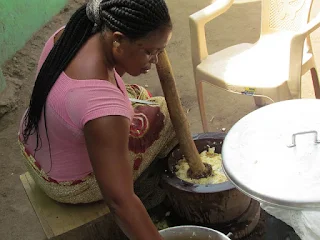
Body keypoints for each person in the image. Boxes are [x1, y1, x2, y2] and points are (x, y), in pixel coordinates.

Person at [18, 0, 177, 239]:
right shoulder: (105, 112)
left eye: (159, 51)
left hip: (33, 147)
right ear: (117, 40)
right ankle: (150, 190)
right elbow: (118, 202)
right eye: (149, 51)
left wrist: (137, 58)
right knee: (166, 115)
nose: (154, 61)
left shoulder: (71, 34)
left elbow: (108, 79)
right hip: (68, 185)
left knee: (139, 96)